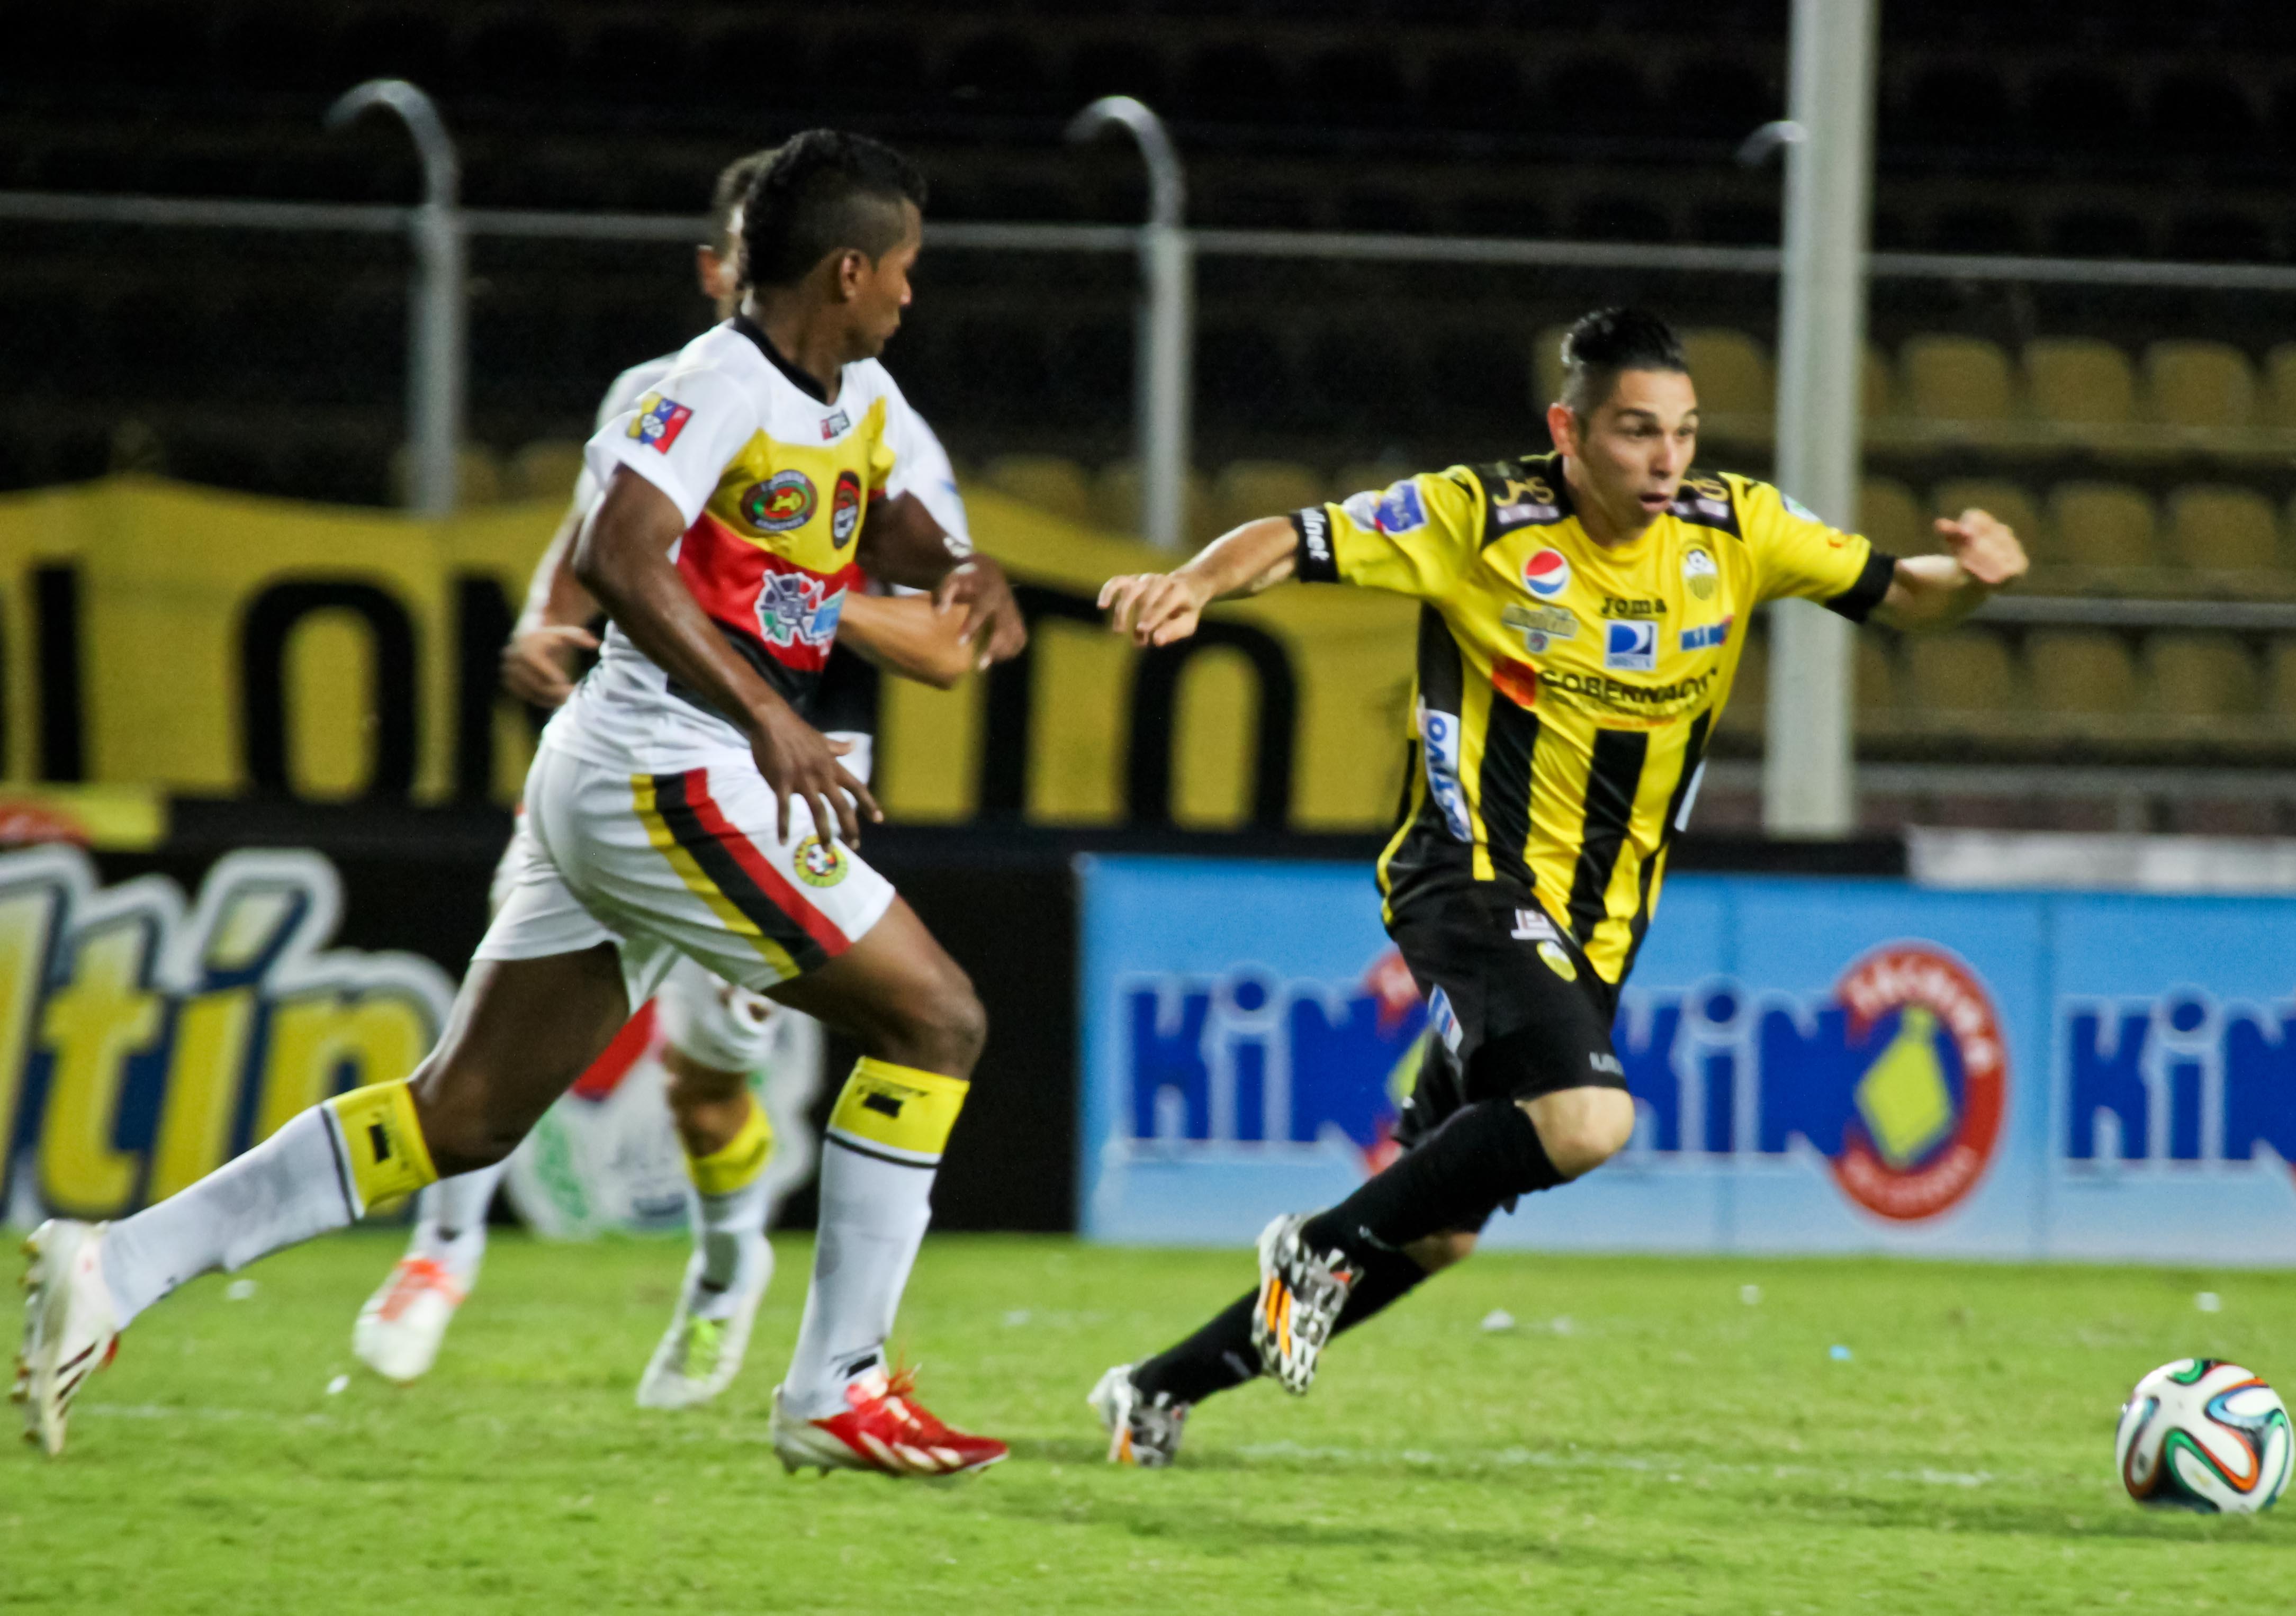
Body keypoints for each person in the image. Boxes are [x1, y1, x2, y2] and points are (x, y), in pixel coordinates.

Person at [17, 130, 1028, 1482]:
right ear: (849, 271)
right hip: (668, 770)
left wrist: (964, 564)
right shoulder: (713, 381)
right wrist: (776, 717)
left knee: (468, 1115)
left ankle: (116, 1264)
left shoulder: (857, 389)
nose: (915, 289)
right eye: (906, 267)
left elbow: (882, 517)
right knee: (937, 1016)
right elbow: (619, 553)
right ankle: (833, 1387)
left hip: (631, 773)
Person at [1085, 306, 2028, 1466]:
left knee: (1439, 1240)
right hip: (1469, 875)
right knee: (1588, 1120)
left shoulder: (1736, 531)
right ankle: (1318, 1246)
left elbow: (1903, 591)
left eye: (1682, 432)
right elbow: (1291, 536)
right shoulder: (1478, 517)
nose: (1668, 459)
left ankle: (1153, 1392)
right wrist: (1193, 582)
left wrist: (1976, 581)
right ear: (1569, 431)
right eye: (1638, 432)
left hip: (1597, 927)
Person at [352, 150, 979, 1417]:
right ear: (721, 271)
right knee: (511, 1012)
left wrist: (795, 599)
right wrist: (547, 621)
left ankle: (726, 1269)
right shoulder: (675, 393)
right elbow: (599, 547)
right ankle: (446, 1252)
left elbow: (941, 625)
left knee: (704, 1075)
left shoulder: (877, 410)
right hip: (660, 746)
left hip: (805, 768)